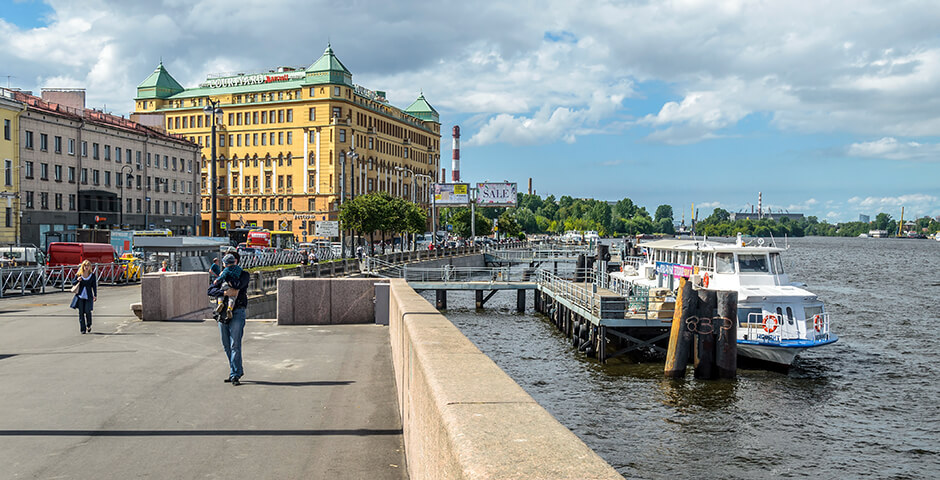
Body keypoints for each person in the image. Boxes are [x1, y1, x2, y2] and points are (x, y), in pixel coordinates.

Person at [208, 255, 250, 386]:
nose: (229, 265)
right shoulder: (222, 274)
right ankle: (236, 370)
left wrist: (226, 278)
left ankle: (235, 375)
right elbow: (210, 290)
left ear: (237, 262)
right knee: (226, 344)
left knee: (235, 344)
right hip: (222, 313)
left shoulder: (244, 274)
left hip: (237, 312)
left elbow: (238, 284)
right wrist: (224, 292)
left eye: (233, 262)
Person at [213, 254, 242, 321]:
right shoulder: (238, 268)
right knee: (232, 298)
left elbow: (222, 276)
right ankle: (230, 308)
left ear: (226, 264)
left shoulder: (226, 269)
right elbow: (241, 273)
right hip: (234, 284)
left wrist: (217, 280)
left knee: (221, 294)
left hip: (225, 284)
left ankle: (220, 303)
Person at [72, 260, 97, 334]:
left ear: (90, 267)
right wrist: (77, 280)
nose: (86, 267)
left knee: (88, 311)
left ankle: (88, 325)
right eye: (85, 266)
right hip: (80, 296)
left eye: (88, 266)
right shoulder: (79, 274)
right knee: (81, 313)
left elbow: (94, 286)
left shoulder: (92, 275)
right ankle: (82, 329)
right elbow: (73, 282)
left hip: (88, 296)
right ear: (83, 267)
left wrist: (95, 295)